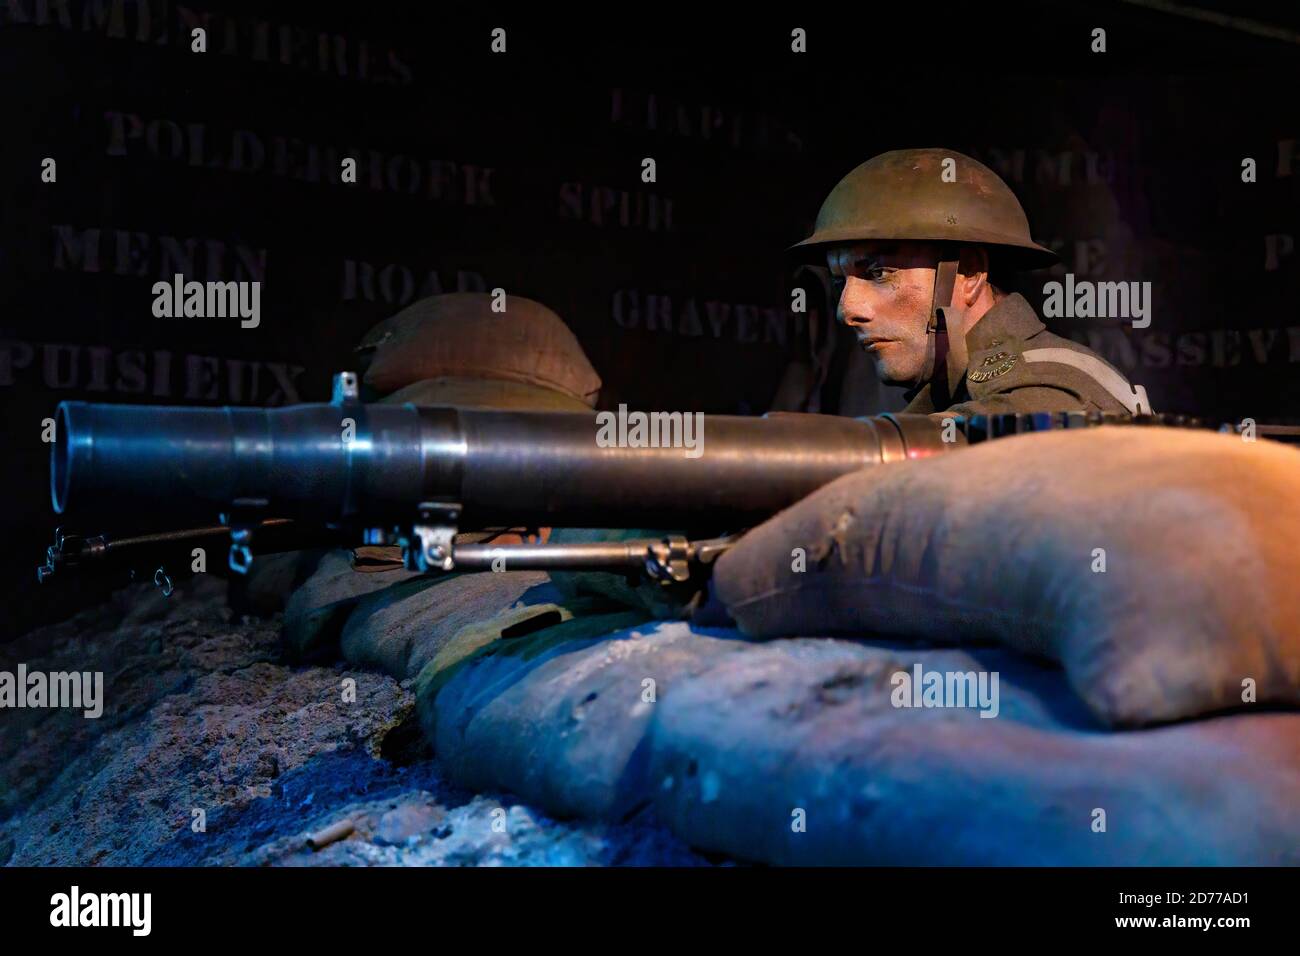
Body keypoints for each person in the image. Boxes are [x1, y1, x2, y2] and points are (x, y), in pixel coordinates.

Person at [791, 148, 1150, 418]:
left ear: (968, 274)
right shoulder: (966, 390)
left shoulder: (1040, 395)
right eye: (840, 282)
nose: (847, 310)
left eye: (878, 273)